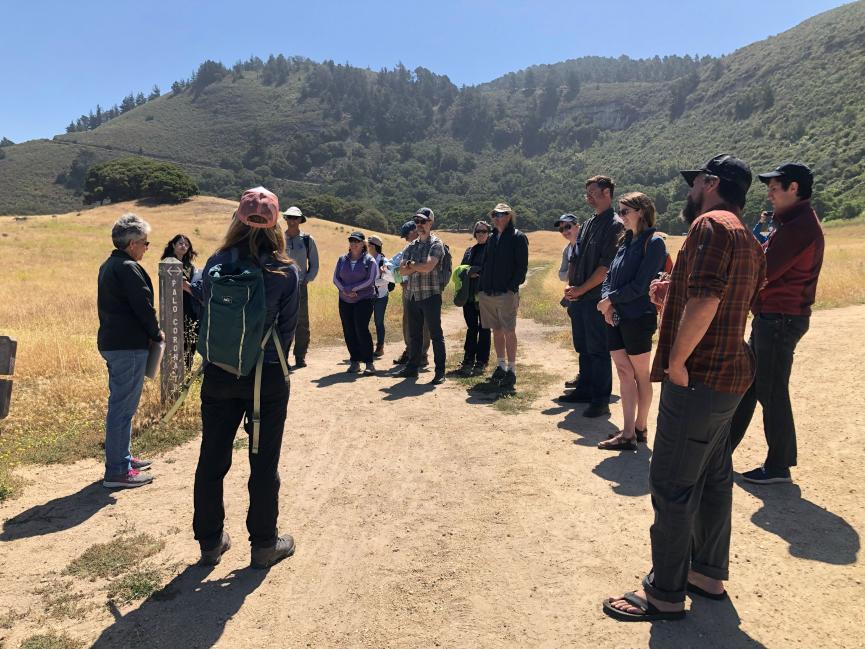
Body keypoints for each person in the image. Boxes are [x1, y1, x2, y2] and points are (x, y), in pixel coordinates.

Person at [603, 154, 765, 622]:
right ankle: (707, 575)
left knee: (673, 483)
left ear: (711, 183)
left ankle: (665, 593)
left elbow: (710, 297)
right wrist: (673, 291)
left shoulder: (709, 225)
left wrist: (676, 362)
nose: (689, 191)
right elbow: (738, 297)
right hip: (730, 377)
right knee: (713, 477)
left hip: (699, 377)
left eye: (695, 182)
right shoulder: (748, 235)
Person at [193, 186, 299, 569]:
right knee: (263, 462)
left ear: (238, 218)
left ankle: (209, 543)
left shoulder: (215, 262)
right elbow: (286, 332)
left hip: (219, 372)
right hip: (266, 377)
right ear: (275, 226)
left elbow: (206, 312)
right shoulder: (285, 272)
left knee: (212, 459)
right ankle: (264, 545)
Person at [730, 162, 824, 485]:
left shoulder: (798, 227)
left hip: (780, 319)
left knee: (769, 389)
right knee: (753, 385)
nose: (769, 194)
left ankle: (779, 465)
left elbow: (764, 271)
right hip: (775, 318)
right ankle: (722, 450)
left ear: (794, 188)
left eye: (775, 188)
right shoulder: (792, 222)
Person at [596, 193, 667, 451]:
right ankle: (627, 432)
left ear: (642, 211)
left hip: (638, 317)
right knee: (624, 373)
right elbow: (610, 275)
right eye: (620, 211)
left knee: (640, 375)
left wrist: (609, 300)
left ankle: (639, 427)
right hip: (615, 316)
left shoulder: (654, 242)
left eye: (625, 211)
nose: (620, 216)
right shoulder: (625, 241)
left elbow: (640, 285)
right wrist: (607, 300)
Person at [97, 213, 163, 489]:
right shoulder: (128, 267)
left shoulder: (110, 264)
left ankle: (122, 459)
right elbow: (143, 306)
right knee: (122, 409)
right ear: (133, 243)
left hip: (114, 343)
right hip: (128, 346)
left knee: (121, 406)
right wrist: (155, 332)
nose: (147, 248)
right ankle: (118, 470)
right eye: (146, 243)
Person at [558, 176, 623, 418]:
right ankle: (584, 390)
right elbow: (577, 257)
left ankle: (600, 399)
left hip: (596, 297)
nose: (588, 196)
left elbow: (605, 268)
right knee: (583, 347)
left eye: (593, 192)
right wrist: (572, 288)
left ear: (607, 192)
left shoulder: (615, 225)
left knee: (598, 350)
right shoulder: (587, 224)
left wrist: (582, 289)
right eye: (587, 192)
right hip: (580, 297)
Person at [478, 203, 529, 391]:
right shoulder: (492, 238)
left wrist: (511, 287)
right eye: (495, 214)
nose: (497, 217)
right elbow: (485, 263)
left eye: (501, 214)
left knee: (509, 331)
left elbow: (521, 267)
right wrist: (482, 287)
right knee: (496, 330)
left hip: (506, 293)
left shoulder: (518, 237)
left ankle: (512, 370)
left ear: (509, 216)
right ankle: (500, 365)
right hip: (488, 292)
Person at [394, 207, 448, 385]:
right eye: (417, 222)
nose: (419, 225)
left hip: (430, 295)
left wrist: (412, 265)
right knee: (414, 334)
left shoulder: (436, 244)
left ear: (431, 223)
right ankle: (412, 368)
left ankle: (440, 371)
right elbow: (402, 270)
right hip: (412, 296)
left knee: (435, 334)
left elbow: (428, 267)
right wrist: (416, 265)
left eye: (423, 221)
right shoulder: (411, 246)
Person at [332, 231, 378, 375]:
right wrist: (345, 291)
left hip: (364, 299)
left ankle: (369, 363)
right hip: (345, 300)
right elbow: (335, 278)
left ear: (363, 243)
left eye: (357, 241)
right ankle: (354, 362)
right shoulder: (342, 259)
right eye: (351, 241)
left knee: (361, 329)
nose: (353, 244)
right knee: (348, 329)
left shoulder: (369, 261)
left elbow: (371, 280)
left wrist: (353, 289)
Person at [452, 220, 492, 377]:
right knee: (471, 328)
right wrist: (470, 272)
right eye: (478, 231)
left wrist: (473, 272)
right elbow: (461, 270)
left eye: (484, 231)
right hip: (468, 296)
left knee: (484, 328)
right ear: (474, 234)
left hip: (484, 295)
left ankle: (481, 361)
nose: (481, 234)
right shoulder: (469, 250)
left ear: (488, 233)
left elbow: (490, 270)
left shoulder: (492, 250)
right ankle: (468, 359)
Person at [282, 206, 319, 369]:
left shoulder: (307, 239)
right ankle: (282, 358)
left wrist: (306, 279)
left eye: (295, 218)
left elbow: (315, 264)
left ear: (300, 220)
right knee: (281, 322)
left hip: (300, 286)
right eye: (289, 217)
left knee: (302, 322)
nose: (292, 220)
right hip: (281, 286)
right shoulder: (278, 238)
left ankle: (300, 356)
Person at [391, 220, 430, 368]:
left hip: (424, 291)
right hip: (407, 290)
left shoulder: (430, 245)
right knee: (407, 320)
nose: (406, 240)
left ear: (414, 232)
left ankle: (422, 355)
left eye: (407, 236)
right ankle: (410, 351)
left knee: (424, 323)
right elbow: (400, 267)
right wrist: (400, 279)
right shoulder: (408, 249)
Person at [160, 234, 200, 371]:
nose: (184, 246)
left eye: (186, 244)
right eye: (180, 243)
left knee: (191, 337)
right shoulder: (169, 263)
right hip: (175, 306)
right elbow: (182, 285)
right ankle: (173, 370)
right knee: (176, 339)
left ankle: (187, 369)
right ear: (173, 245)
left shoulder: (190, 266)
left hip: (190, 306)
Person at [555, 214, 581, 389]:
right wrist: (573, 273)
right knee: (579, 340)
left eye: (568, 226)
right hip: (573, 299)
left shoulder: (585, 246)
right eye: (562, 228)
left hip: (588, 298)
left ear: (577, 226)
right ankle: (584, 375)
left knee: (594, 343)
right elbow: (561, 274)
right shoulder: (567, 250)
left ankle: (594, 379)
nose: (565, 231)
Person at [368, 235, 395, 359]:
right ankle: (366, 346)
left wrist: (371, 283)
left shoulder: (384, 261)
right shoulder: (367, 259)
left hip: (380, 296)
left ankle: (380, 347)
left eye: (368, 245)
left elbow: (386, 279)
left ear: (373, 246)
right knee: (364, 321)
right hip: (367, 296)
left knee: (378, 322)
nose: (367, 247)